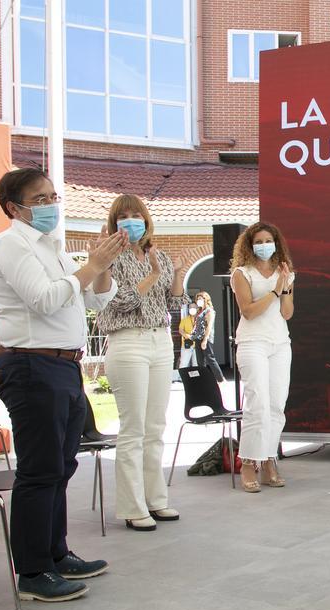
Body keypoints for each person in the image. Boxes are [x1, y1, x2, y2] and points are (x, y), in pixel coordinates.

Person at [0, 168, 125, 602]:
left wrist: (102, 268)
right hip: (30, 366)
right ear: (14, 207)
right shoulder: (10, 244)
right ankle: (32, 571)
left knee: (61, 467)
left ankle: (56, 553)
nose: (51, 204)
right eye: (40, 198)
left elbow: (93, 299)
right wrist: (91, 267)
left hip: (63, 366)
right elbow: (44, 300)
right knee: (40, 469)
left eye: (52, 195)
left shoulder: (52, 248)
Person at [94, 195, 187, 532]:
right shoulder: (110, 259)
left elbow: (176, 302)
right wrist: (152, 277)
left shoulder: (156, 255)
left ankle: (156, 499)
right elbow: (118, 303)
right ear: (114, 222)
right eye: (124, 216)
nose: (131, 221)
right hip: (127, 340)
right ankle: (132, 507)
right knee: (133, 429)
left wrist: (173, 274)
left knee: (156, 427)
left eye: (137, 215)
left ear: (147, 221)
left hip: (160, 339)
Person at [230, 222, 294, 493]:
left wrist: (285, 287)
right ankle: (247, 462)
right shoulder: (241, 274)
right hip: (252, 342)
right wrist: (275, 290)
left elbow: (287, 313)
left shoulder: (285, 273)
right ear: (250, 245)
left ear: (276, 243)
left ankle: (269, 459)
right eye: (259, 241)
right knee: (258, 404)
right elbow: (249, 311)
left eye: (269, 240)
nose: (264, 245)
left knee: (276, 405)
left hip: (280, 342)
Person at [192, 291, 224, 382]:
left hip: (206, 338)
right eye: (197, 299)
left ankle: (220, 379)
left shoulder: (209, 311)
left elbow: (209, 326)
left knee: (210, 358)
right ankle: (203, 379)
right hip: (198, 338)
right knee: (200, 361)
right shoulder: (199, 311)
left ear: (206, 300)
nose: (198, 300)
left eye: (200, 299)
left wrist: (205, 339)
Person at [178, 301, 197, 368]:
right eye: (190, 307)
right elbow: (180, 330)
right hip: (187, 345)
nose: (192, 309)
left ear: (197, 308)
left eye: (194, 307)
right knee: (183, 364)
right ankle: (181, 378)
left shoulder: (200, 318)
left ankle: (197, 378)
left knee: (196, 365)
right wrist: (187, 336)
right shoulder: (184, 320)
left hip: (198, 345)